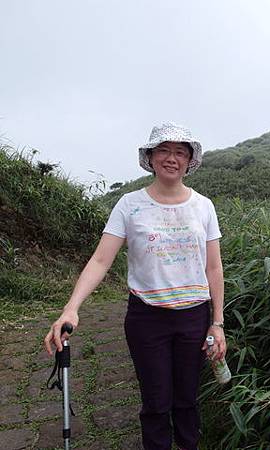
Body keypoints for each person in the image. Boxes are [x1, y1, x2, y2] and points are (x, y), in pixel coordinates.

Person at [44, 122, 226, 450]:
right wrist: (71, 307)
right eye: (164, 151)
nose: (172, 158)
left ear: (189, 161)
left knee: (186, 401)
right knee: (156, 403)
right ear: (151, 157)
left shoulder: (204, 206)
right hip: (147, 319)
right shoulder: (129, 205)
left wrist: (218, 322)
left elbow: (214, 267)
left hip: (194, 318)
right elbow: (101, 260)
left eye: (180, 152)